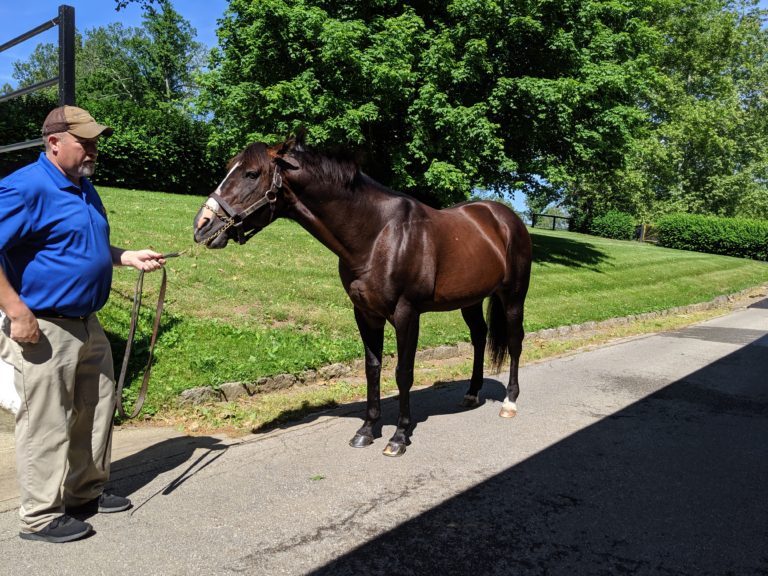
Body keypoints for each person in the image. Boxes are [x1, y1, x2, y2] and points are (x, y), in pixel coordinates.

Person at [0, 105, 166, 543]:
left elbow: (84, 243)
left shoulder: (83, 185)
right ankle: (39, 516)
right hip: (45, 325)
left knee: (94, 412)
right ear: (54, 142)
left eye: (95, 141)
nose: (94, 149)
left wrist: (125, 256)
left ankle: (84, 492)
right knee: (47, 421)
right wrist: (17, 312)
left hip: (87, 322)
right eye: (85, 142)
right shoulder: (26, 187)